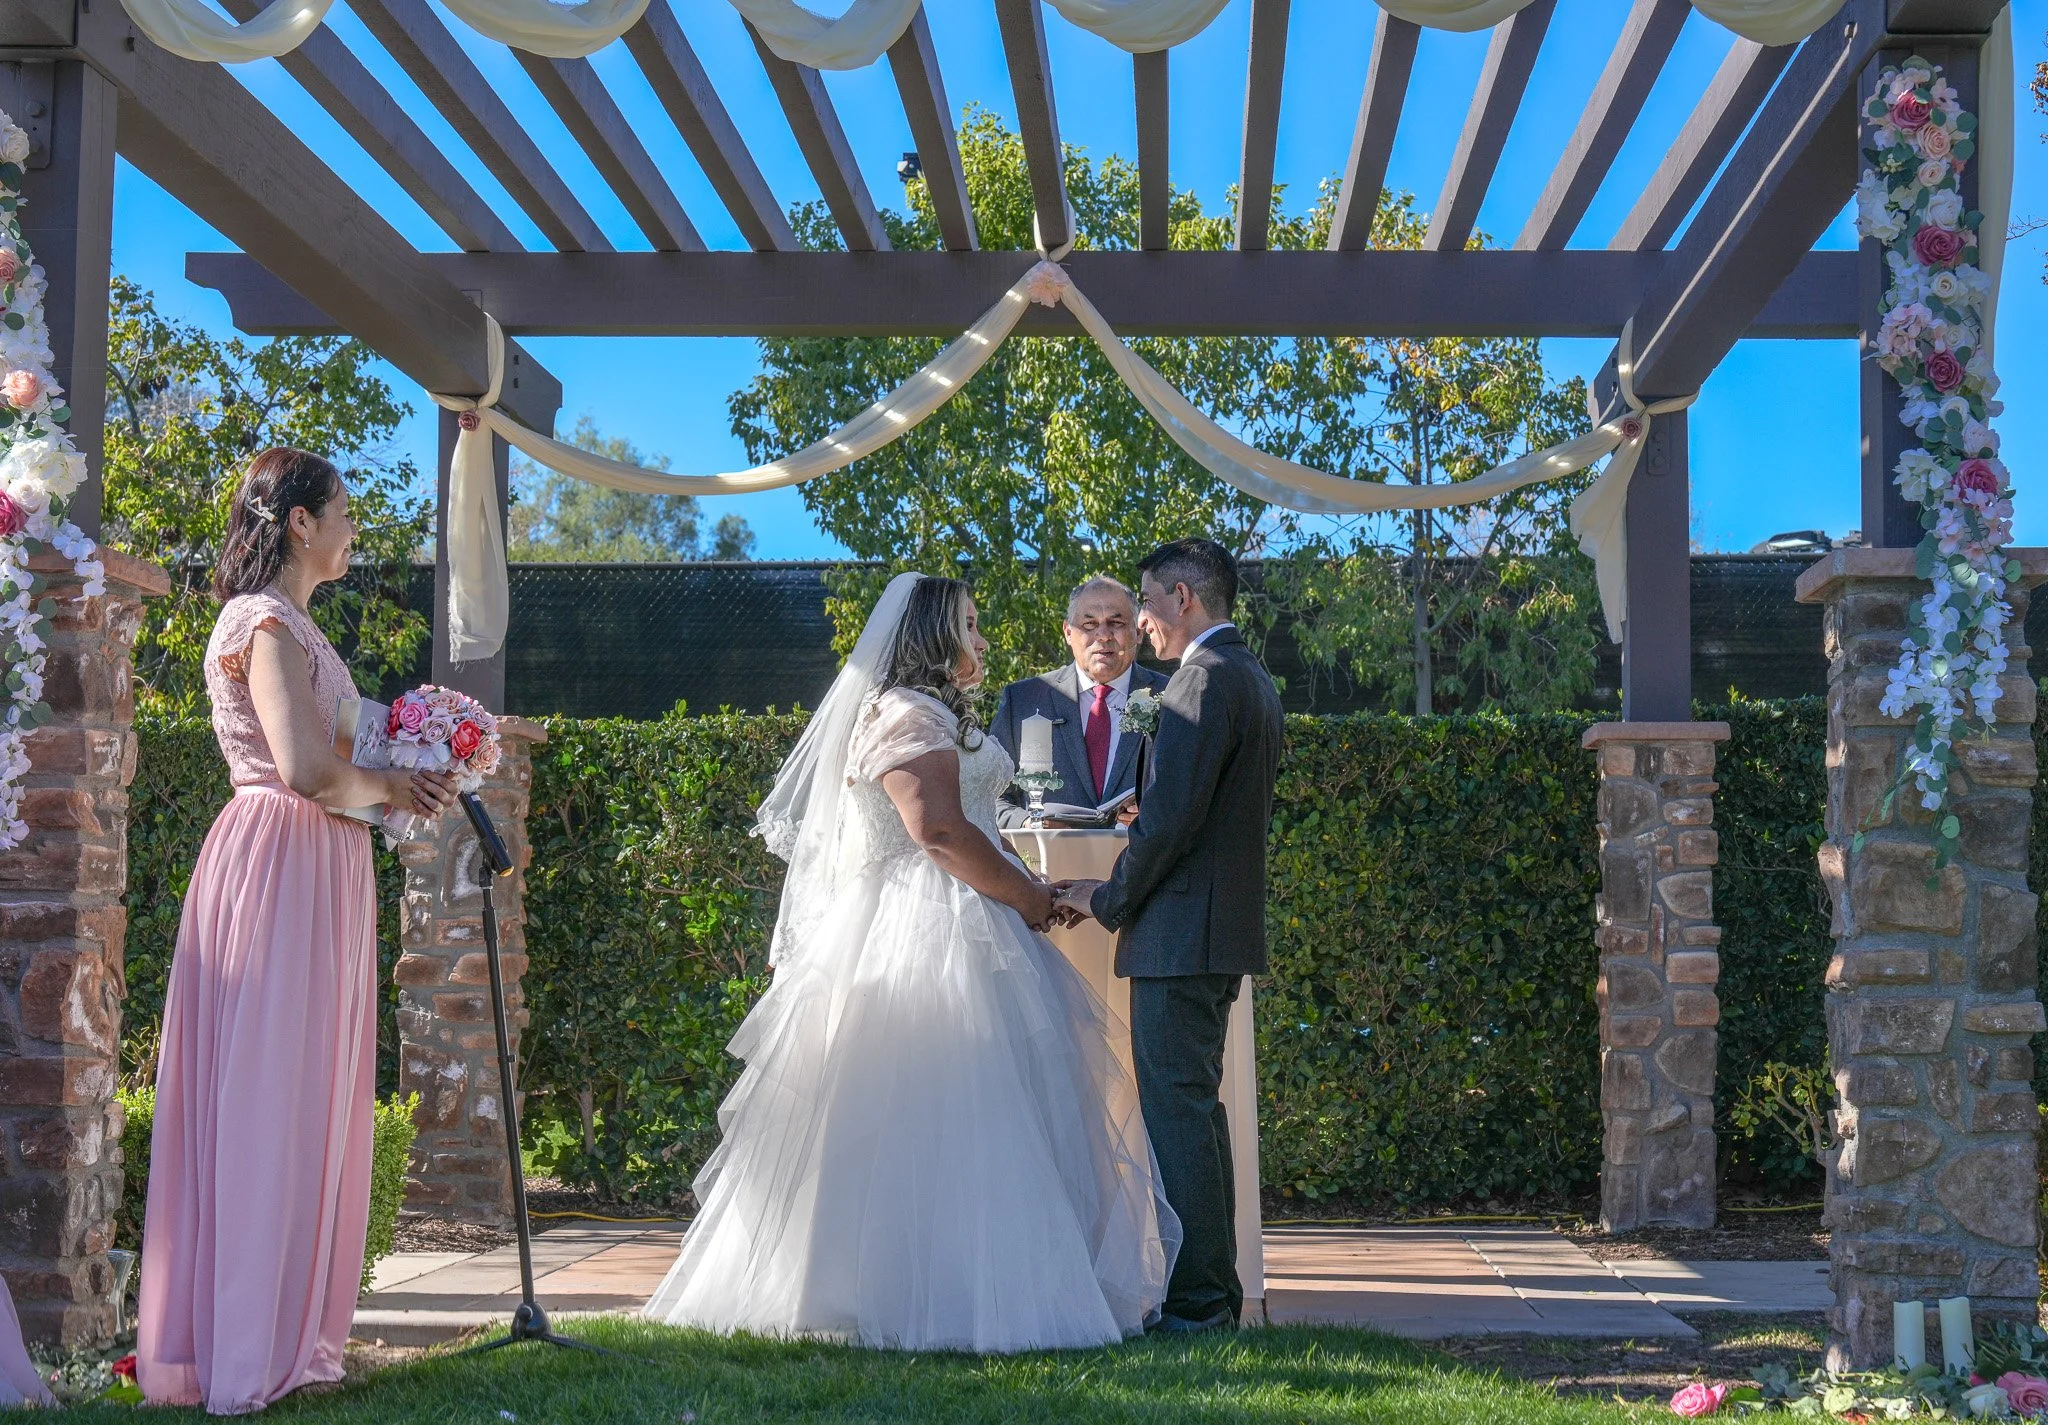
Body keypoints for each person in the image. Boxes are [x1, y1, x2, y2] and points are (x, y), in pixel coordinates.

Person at [645, 573, 1178, 1351]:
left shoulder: (932, 714)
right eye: (969, 624)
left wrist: (1026, 886)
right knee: (934, 1106)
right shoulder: (903, 714)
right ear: (934, 636)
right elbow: (939, 833)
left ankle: (973, 1282)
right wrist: (1029, 901)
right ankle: (903, 1292)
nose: (983, 640)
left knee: (989, 1112)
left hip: (967, 914)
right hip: (923, 930)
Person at [137, 448, 455, 1414]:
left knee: (309, 1093)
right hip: (278, 857)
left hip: (321, 867)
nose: (356, 528)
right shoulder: (262, 620)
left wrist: (423, 769)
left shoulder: (304, 628)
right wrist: (393, 787)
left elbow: (344, 758)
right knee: (266, 1092)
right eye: (345, 511)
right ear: (301, 523)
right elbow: (309, 770)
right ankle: (239, 1347)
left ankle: (293, 1334)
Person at [1053, 538, 1282, 1334]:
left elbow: (1170, 824)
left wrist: (1104, 895)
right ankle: (1212, 1296)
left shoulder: (1197, 682)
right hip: (1217, 933)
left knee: (1177, 1116)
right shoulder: (1250, 676)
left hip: (1180, 935)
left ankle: (1194, 1307)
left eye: (1145, 605)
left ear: (1183, 598)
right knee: (1197, 1113)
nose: (1141, 624)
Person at [989, 576, 1168, 829]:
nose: (1103, 635)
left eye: (1116, 623)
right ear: (1068, 633)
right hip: (1049, 865)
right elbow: (989, 798)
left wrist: (1158, 816)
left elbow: (1195, 792)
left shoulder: (1171, 697)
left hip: (1141, 863)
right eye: (1089, 624)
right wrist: (1030, 824)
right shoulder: (1024, 701)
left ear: (1138, 633)